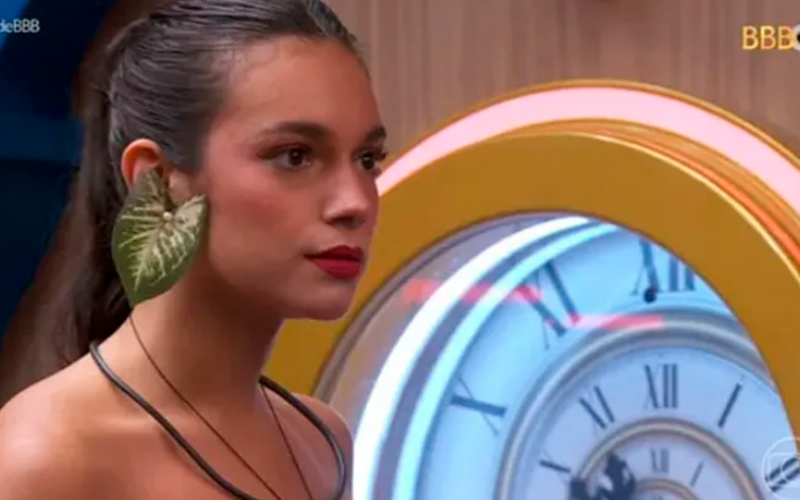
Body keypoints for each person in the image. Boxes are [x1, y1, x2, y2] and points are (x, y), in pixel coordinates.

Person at [0, 0, 387, 498]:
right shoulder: (46, 457)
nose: (355, 202)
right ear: (158, 179)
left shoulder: (321, 441)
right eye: (294, 156)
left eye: (367, 159)